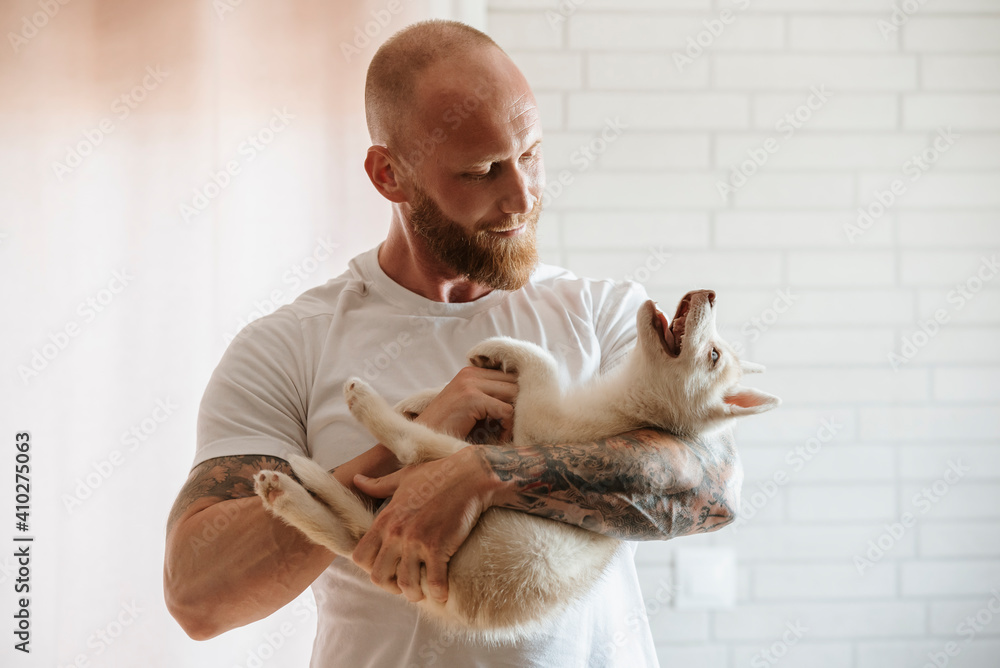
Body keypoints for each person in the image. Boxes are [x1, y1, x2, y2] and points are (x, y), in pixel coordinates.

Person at [163, 19, 742, 667]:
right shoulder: (289, 347)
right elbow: (199, 598)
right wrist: (402, 448)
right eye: (482, 171)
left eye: (530, 155)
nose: (521, 197)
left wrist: (484, 476)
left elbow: (710, 494)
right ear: (390, 175)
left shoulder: (602, 314)